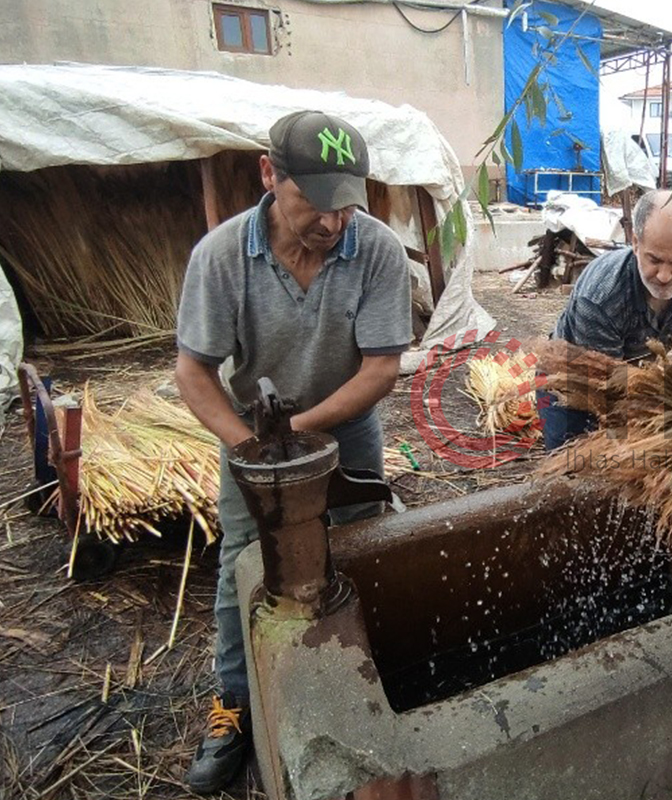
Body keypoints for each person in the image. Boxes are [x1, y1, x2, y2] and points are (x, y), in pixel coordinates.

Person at [174, 110, 411, 793]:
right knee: (243, 563)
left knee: (363, 544)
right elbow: (194, 372)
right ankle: (234, 705)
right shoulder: (220, 258)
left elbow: (379, 369)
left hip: (345, 424)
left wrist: (303, 433)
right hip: (255, 439)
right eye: (315, 202)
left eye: (346, 204)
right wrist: (254, 447)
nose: (333, 222)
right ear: (269, 175)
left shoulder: (378, 252)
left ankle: (366, 676)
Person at [540, 189, 672, 486]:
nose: (663, 275)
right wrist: (645, 450)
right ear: (635, 243)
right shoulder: (601, 294)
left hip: (636, 373)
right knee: (574, 478)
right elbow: (609, 393)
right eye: (654, 259)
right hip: (577, 380)